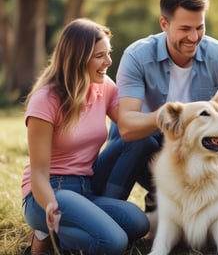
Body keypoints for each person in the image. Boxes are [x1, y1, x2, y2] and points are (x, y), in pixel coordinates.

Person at [91, 0, 218, 210]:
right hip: (148, 147)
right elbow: (126, 126)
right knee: (137, 139)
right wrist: (170, 117)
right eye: (184, 28)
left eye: (199, 27)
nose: (193, 37)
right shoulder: (137, 56)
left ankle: (174, 201)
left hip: (196, 150)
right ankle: (113, 206)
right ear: (164, 24)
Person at [21, 18, 149, 255]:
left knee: (138, 222)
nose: (109, 62)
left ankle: (56, 240)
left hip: (85, 187)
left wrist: (171, 116)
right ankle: (47, 233)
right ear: (77, 58)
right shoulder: (46, 99)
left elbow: (130, 126)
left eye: (108, 53)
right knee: (115, 242)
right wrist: (50, 204)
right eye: (100, 56)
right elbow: (38, 172)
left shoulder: (104, 86)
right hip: (47, 191)